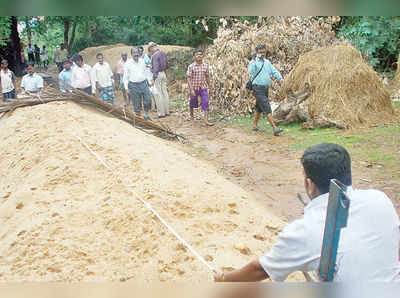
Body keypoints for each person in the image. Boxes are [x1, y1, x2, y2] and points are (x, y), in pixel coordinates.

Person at [215, 143, 400, 282]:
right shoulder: (380, 199)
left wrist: (224, 278)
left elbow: (260, 269)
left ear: (310, 184)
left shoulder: (303, 230)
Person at [248, 44, 283, 136]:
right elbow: (250, 72)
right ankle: (275, 128)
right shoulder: (254, 62)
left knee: (259, 107)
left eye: (264, 52)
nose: (262, 54)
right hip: (257, 88)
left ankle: (255, 125)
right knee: (266, 106)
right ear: (257, 53)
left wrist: (280, 78)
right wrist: (253, 60)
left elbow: (273, 71)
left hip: (265, 88)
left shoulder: (267, 62)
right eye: (260, 52)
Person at [123, 47, 152, 120]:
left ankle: (146, 114)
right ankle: (138, 117)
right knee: (136, 103)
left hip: (144, 83)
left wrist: (149, 81)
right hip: (133, 85)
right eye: (134, 53)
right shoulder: (127, 64)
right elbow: (125, 77)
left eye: (137, 52)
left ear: (139, 53)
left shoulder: (142, 61)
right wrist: (126, 88)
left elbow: (145, 72)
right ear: (131, 54)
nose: (136, 54)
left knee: (148, 100)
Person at [187, 49, 213, 125]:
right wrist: (191, 89)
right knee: (193, 102)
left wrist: (210, 87)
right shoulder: (191, 66)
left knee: (206, 102)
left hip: (203, 87)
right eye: (197, 54)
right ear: (194, 57)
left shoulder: (205, 66)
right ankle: (191, 115)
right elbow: (188, 78)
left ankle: (206, 120)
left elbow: (207, 76)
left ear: (202, 56)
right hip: (194, 88)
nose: (199, 56)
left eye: (200, 54)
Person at [148, 42, 169, 118]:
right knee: (165, 93)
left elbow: (156, 68)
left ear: (151, 48)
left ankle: (161, 113)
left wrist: (153, 75)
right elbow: (167, 65)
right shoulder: (163, 53)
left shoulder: (154, 55)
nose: (150, 51)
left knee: (158, 94)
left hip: (158, 74)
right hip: (163, 73)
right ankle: (167, 111)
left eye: (150, 49)